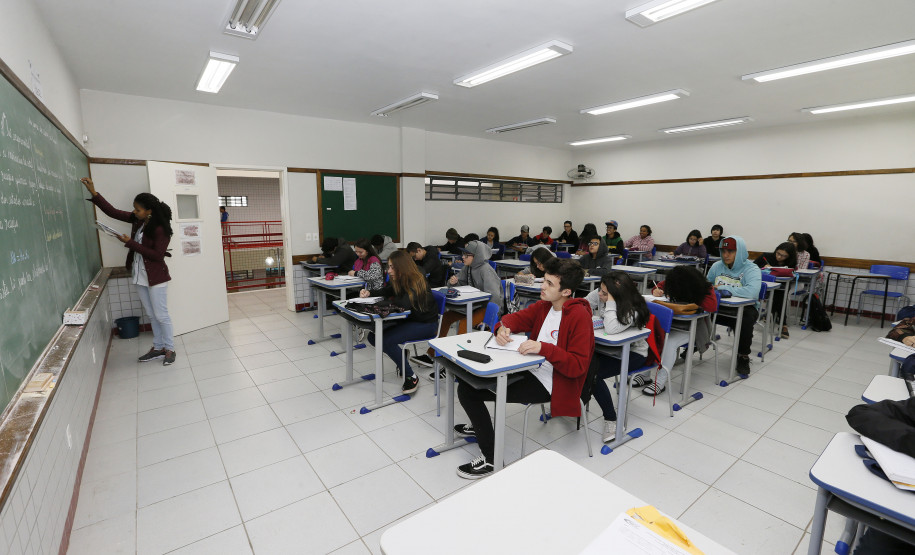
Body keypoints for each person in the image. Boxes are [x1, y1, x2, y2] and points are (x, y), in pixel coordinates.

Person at [454, 258, 594, 478]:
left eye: (549, 283)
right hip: (530, 368)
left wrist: (544, 347)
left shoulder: (579, 316)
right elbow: (513, 318)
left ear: (566, 291)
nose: (542, 286)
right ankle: (480, 425)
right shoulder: (544, 306)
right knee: (468, 382)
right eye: (544, 280)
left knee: (469, 391)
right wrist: (502, 328)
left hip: (553, 383)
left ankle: (491, 460)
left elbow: (577, 366)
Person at [81, 177, 177, 365]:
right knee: (151, 314)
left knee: (161, 315)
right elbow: (113, 212)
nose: (134, 212)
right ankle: (158, 347)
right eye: (134, 208)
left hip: (156, 277)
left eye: (138, 209)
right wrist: (94, 193)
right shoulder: (138, 220)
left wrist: (130, 243)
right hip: (140, 275)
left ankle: (170, 349)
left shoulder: (161, 229)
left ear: (149, 211)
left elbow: (157, 255)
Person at [358, 250, 439, 395]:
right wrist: (370, 293)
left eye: (391, 267)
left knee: (385, 340)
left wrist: (386, 302)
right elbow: (389, 290)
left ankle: (411, 376)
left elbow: (402, 305)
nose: (388, 271)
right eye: (388, 267)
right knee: (372, 336)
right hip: (410, 320)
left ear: (402, 267)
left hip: (426, 325)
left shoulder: (416, 280)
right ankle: (402, 356)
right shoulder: (401, 279)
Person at [419, 240, 503, 371]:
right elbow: (460, 284)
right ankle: (432, 354)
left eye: (467, 255)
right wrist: (454, 282)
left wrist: (488, 319)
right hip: (472, 305)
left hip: (485, 307)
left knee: (465, 324)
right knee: (446, 318)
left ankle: (457, 364)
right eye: (463, 254)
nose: (463, 257)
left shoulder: (486, 270)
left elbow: (495, 297)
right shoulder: (468, 268)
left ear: (477, 256)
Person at [585, 271, 648, 442]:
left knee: (593, 375)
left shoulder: (633, 309)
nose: (599, 294)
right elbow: (582, 305)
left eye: (605, 293)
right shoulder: (601, 293)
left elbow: (612, 329)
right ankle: (574, 401)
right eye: (600, 289)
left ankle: (612, 420)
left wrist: (611, 302)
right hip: (605, 349)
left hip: (632, 353)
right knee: (582, 363)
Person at [647, 265, 718, 395]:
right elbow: (659, 287)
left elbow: (712, 306)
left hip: (694, 329)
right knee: (651, 335)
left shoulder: (705, 288)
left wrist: (692, 299)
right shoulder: (675, 280)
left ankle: (660, 382)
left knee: (669, 342)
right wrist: (656, 291)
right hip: (672, 325)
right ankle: (645, 376)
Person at [706, 236, 762, 375]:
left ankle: (743, 356)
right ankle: (696, 344)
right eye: (723, 251)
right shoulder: (717, 266)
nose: (726, 255)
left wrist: (723, 287)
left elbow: (752, 292)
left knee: (746, 318)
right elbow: (707, 286)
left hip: (745, 309)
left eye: (730, 251)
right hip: (721, 308)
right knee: (701, 311)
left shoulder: (752, 268)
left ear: (740, 252)